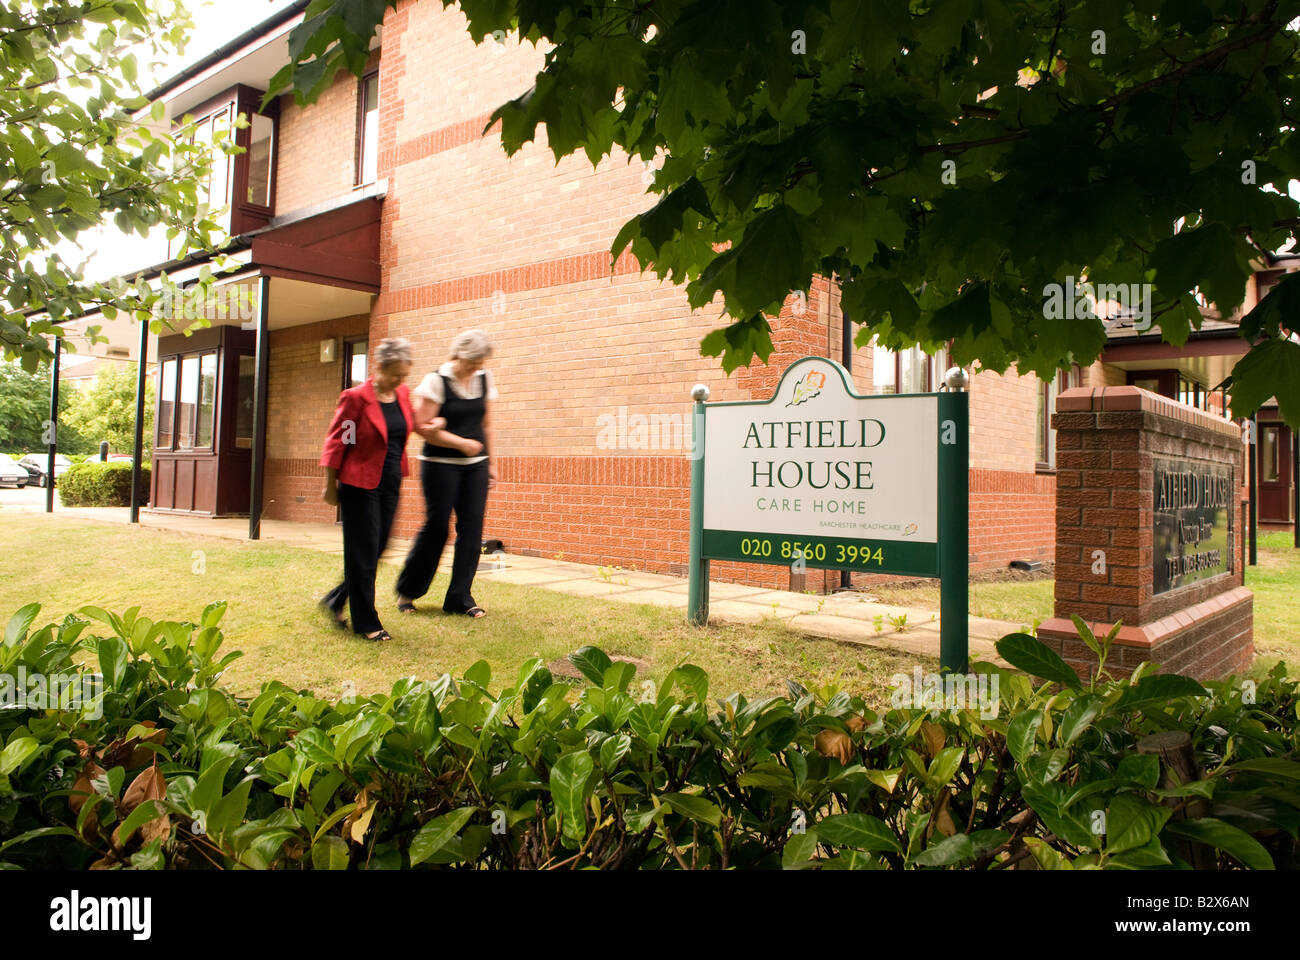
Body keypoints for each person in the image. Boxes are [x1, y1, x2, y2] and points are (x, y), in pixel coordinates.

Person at [318, 337, 443, 640]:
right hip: (358, 482)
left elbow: (407, 426)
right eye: (395, 374)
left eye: (404, 375)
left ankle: (335, 600)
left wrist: (433, 426)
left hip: (390, 481)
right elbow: (338, 442)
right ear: (379, 367)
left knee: (378, 548)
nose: (401, 381)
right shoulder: (355, 398)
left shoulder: (400, 393)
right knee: (363, 552)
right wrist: (330, 486)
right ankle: (367, 622)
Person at [395, 329, 498, 618]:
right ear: (459, 355)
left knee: (472, 529)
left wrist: (490, 462)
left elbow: (487, 423)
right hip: (440, 463)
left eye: (480, 363)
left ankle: (459, 598)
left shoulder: (483, 378)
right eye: (472, 362)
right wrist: (461, 443)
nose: (476, 368)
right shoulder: (436, 380)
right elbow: (421, 427)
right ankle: (408, 591)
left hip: (475, 465)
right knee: (437, 527)